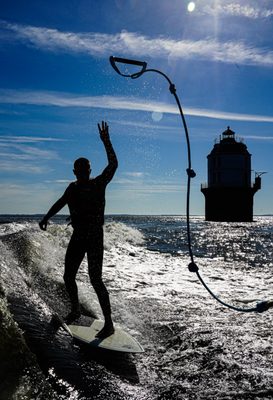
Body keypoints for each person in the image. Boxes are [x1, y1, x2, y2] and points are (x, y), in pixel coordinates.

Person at [39, 121, 118, 339]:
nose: (83, 172)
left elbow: (113, 165)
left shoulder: (98, 184)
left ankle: (109, 323)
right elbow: (60, 202)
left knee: (96, 280)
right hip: (77, 237)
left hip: (93, 238)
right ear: (75, 171)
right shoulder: (72, 188)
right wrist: (46, 217)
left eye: (86, 169)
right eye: (79, 170)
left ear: (89, 170)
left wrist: (106, 141)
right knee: (67, 276)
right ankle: (75, 309)